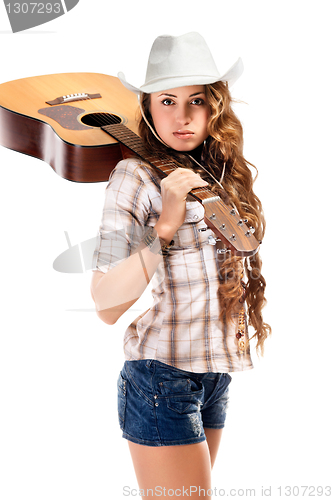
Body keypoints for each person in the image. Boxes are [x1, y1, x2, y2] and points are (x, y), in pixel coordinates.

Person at [90, 32, 271, 498]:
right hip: (160, 378)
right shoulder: (134, 175)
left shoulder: (217, 173)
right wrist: (164, 228)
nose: (182, 115)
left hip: (214, 376)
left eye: (196, 100)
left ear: (215, 107)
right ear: (147, 108)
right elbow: (106, 304)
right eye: (167, 100)